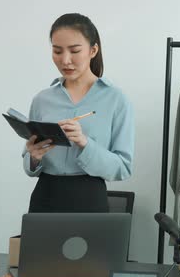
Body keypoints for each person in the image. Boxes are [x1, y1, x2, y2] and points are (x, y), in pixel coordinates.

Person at [22, 13, 134, 213]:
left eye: (74, 51)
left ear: (93, 50)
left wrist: (84, 142)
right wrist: (33, 157)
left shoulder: (116, 100)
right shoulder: (42, 100)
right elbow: (29, 163)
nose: (65, 60)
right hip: (44, 198)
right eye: (57, 51)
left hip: (90, 199)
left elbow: (122, 168)